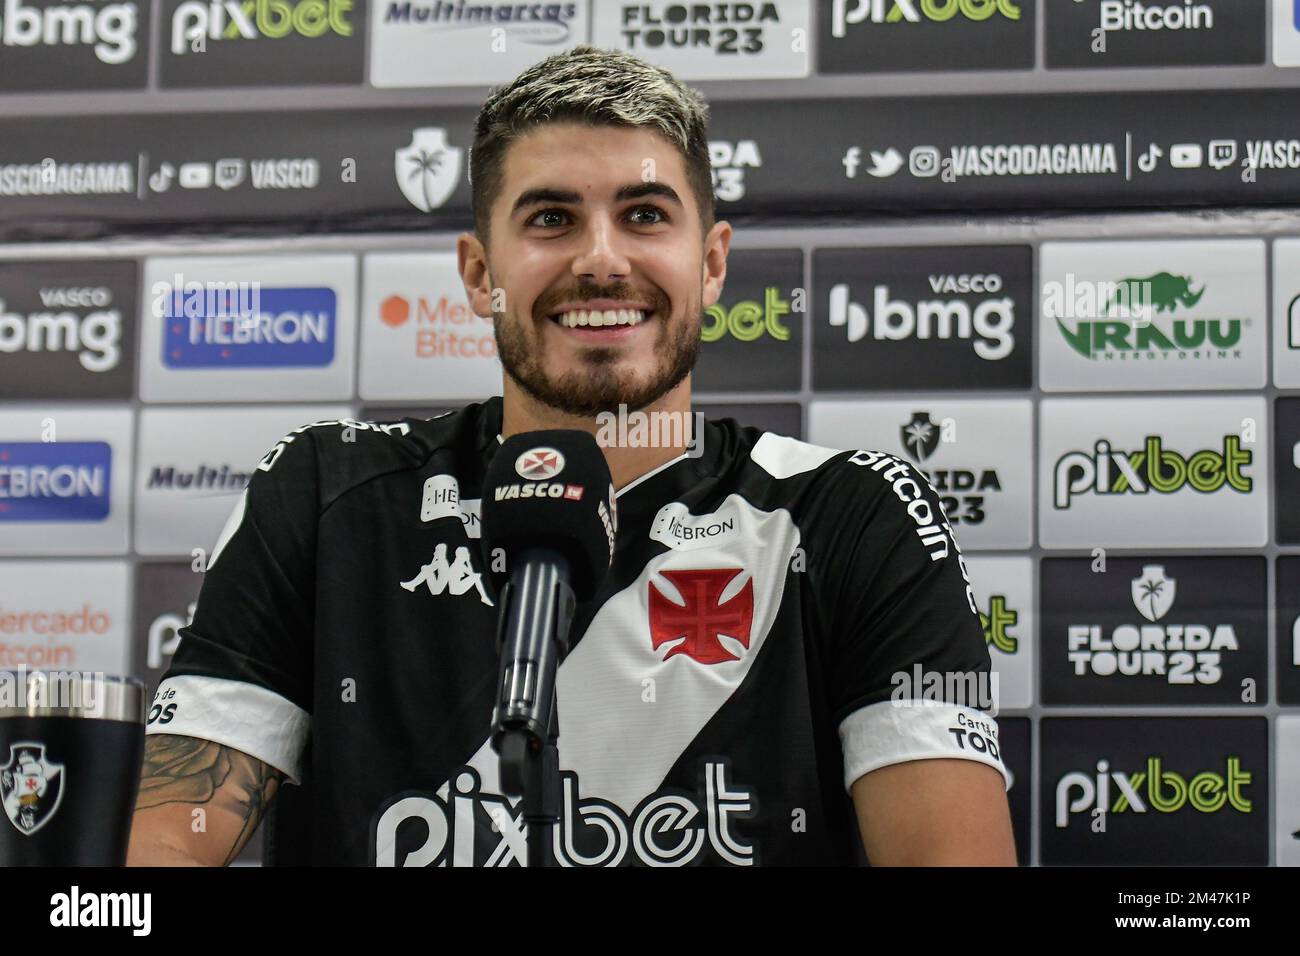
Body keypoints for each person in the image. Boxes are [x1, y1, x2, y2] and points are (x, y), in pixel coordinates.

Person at [127, 44, 1015, 867]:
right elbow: (169, 843)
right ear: (481, 274)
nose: (601, 261)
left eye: (644, 215)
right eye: (552, 218)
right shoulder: (328, 494)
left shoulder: (850, 514)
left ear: (711, 264)